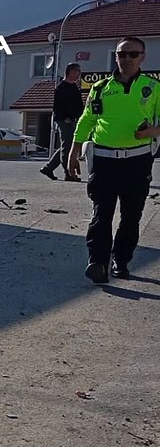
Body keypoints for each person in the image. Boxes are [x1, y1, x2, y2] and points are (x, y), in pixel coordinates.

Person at [66, 36, 160, 284]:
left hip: (137, 161)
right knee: (101, 213)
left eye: (132, 54)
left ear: (142, 57)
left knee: (131, 216)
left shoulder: (154, 88)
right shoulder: (100, 88)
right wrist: (73, 152)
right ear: (116, 57)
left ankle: (121, 260)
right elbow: (87, 120)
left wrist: (150, 132)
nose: (126, 59)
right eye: (122, 54)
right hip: (104, 159)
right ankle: (97, 262)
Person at [41, 63, 84, 182]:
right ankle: (68, 173)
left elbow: (79, 105)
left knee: (66, 145)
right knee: (67, 147)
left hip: (74, 120)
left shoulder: (75, 87)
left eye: (79, 71)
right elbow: (57, 107)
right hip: (64, 120)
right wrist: (66, 118)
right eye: (76, 71)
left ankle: (48, 168)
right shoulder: (61, 87)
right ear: (70, 72)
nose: (78, 73)